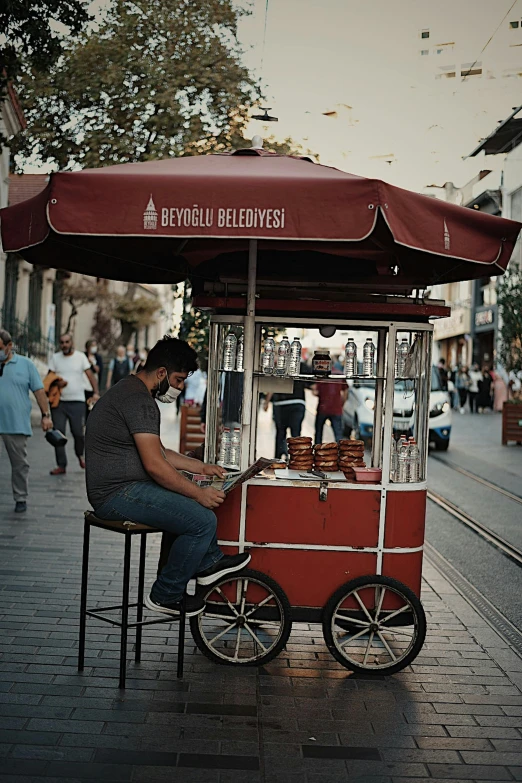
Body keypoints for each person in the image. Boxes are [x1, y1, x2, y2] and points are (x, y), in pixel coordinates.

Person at [85, 335, 250, 617]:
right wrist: (199, 492)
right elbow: (156, 466)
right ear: (161, 373)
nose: (179, 388)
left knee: (191, 508)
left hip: (119, 490)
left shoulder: (130, 390)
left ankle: (208, 563)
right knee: (202, 520)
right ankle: (166, 594)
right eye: (177, 380)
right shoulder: (140, 401)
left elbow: (159, 451)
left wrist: (200, 467)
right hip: (117, 495)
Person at [0, 329, 54, 512]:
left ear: (9, 346)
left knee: (19, 464)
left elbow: (39, 392)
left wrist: (46, 415)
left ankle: (20, 497)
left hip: (14, 423)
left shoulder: (25, 364)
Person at [48, 333, 99, 475]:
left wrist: (96, 392)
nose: (64, 344)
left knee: (78, 432)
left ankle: (80, 455)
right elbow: (49, 378)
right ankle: (61, 465)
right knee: (58, 434)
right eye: (62, 342)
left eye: (67, 342)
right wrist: (57, 382)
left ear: (72, 342)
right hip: (59, 403)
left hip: (77, 401)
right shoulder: (55, 358)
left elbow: (90, 376)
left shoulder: (80, 357)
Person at [264, 368, 307, 459]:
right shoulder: (300, 366)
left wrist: (266, 402)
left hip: (281, 404)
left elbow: (272, 385)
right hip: (297, 402)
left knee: (280, 433)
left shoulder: (279, 367)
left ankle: (279, 457)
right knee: (295, 434)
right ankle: (296, 458)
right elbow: (312, 385)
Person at [312, 375, 347, 443]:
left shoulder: (322, 375)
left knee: (318, 433)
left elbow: (315, 391)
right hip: (336, 408)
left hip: (323, 408)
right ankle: (340, 451)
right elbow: (345, 391)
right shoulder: (339, 374)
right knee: (338, 434)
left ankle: (318, 451)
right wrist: (341, 404)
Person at [84, 340, 103, 416]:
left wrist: (91, 363)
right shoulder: (83, 356)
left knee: (91, 406)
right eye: (92, 345)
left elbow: (98, 369)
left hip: (93, 384)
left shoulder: (98, 357)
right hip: (84, 384)